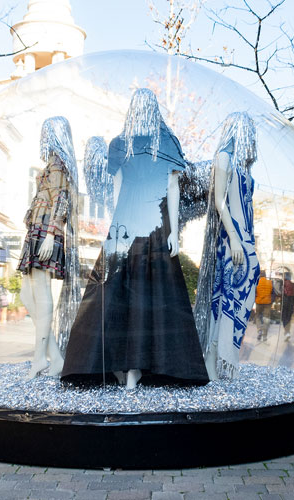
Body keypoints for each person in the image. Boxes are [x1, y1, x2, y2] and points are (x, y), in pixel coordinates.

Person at [62, 88, 209, 389]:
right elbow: (169, 190)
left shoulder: (134, 144)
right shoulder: (153, 143)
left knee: (124, 293)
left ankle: (130, 367)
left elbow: (163, 189)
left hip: (136, 222)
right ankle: (134, 367)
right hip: (149, 223)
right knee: (140, 294)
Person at [194, 112, 260, 380]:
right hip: (231, 240)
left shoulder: (244, 166)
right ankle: (211, 362)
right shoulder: (224, 158)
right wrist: (233, 237)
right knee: (222, 301)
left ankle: (227, 359)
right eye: (247, 130)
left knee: (242, 300)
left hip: (246, 240)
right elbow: (220, 201)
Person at [17, 116, 78, 379]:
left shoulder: (57, 162)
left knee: (39, 294)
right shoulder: (52, 161)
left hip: (45, 230)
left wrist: (52, 234)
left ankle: (40, 357)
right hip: (38, 229)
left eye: (48, 132)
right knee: (27, 295)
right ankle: (55, 358)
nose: (44, 137)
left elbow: (61, 199)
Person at [255, 270, 273, 342]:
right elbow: (272, 292)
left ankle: (259, 330)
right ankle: (265, 335)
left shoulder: (257, 282)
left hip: (259, 302)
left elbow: (255, 292)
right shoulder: (270, 282)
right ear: (265, 275)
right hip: (267, 303)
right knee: (266, 318)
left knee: (258, 317)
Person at [282, 273, 294, 341]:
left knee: (284, 318)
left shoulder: (283, 284)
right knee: (288, 318)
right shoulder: (293, 285)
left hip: (284, 303)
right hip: (291, 303)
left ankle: (287, 332)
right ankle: (287, 332)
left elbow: (280, 293)